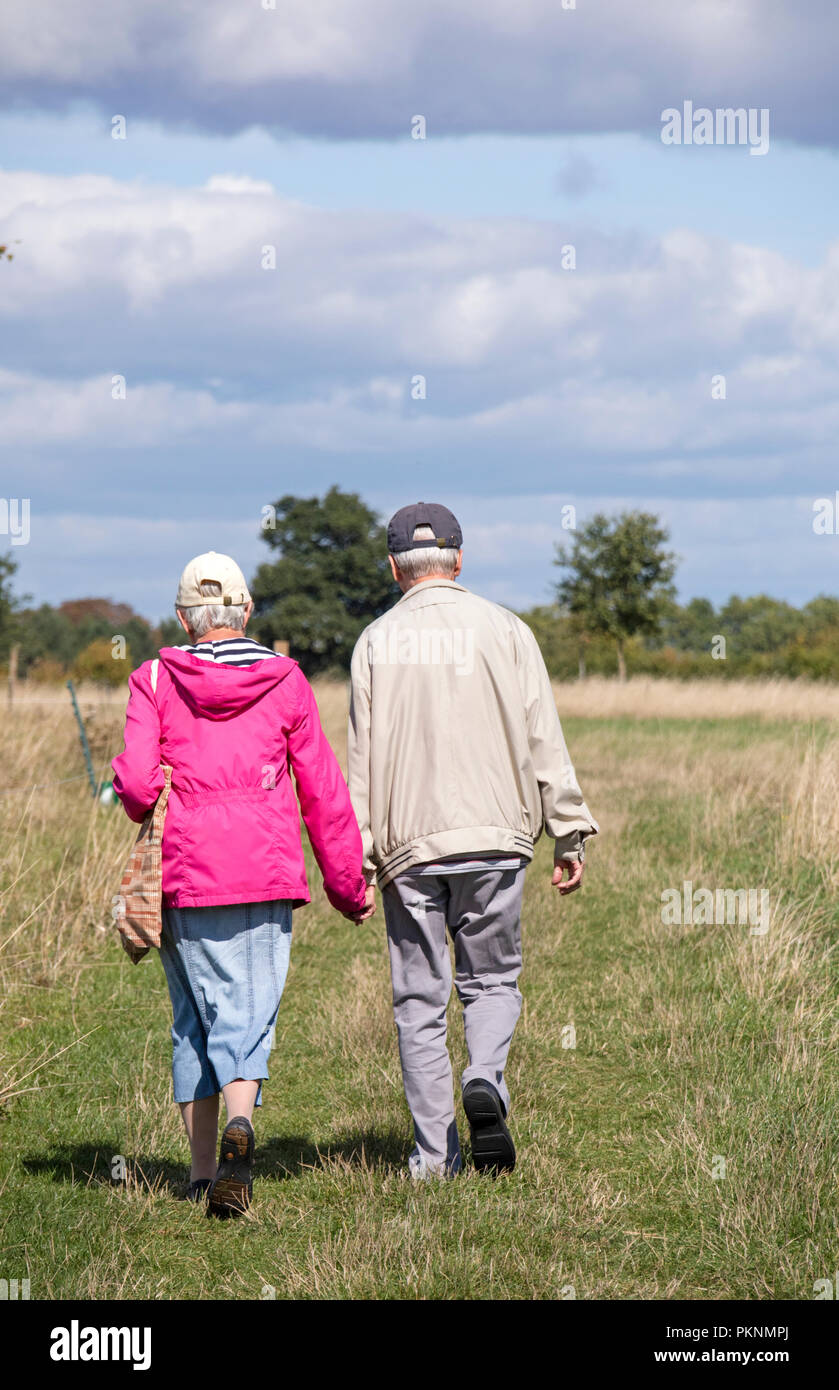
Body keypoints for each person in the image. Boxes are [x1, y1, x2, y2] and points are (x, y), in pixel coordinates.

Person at [112, 551, 370, 1216]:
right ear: (247, 610)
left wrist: (143, 794)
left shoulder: (152, 677)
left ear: (181, 617)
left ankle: (201, 1174)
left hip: (184, 871)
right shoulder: (285, 679)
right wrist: (347, 887)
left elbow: (138, 786)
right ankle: (242, 1123)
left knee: (191, 1019)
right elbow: (322, 788)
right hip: (261, 867)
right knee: (247, 1011)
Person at [348, 504, 598, 1179]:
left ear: (393, 567)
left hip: (409, 848)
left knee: (418, 1002)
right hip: (497, 836)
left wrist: (358, 861)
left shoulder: (374, 642)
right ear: (458, 560)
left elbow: (360, 761)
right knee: (491, 981)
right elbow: (545, 737)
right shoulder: (509, 630)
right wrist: (568, 832)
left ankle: (435, 1158)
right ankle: (483, 1075)